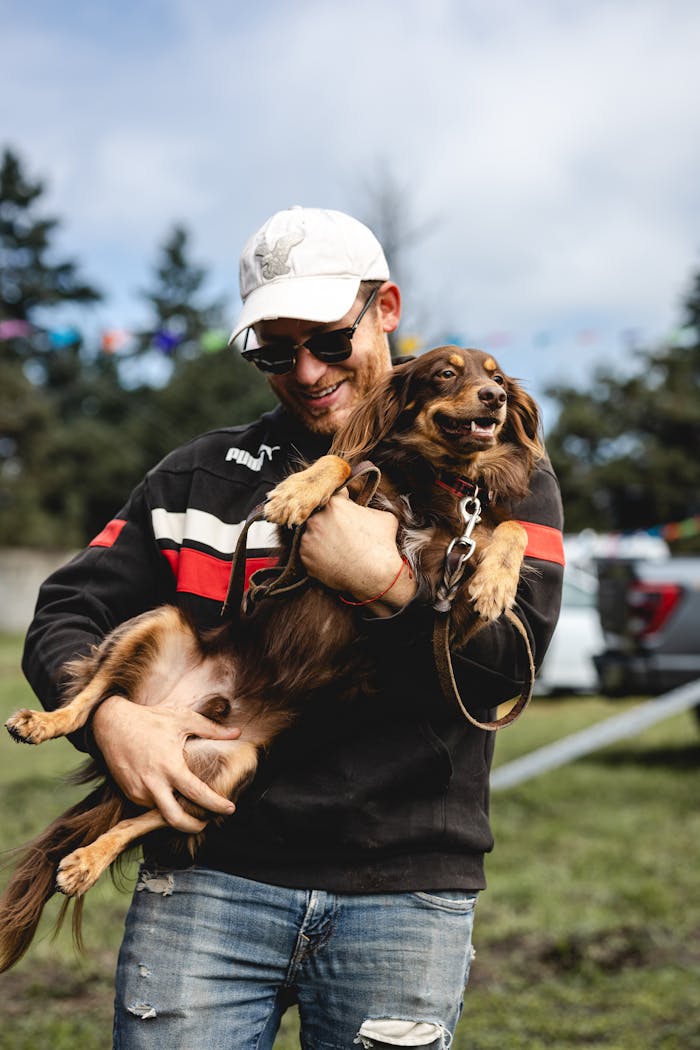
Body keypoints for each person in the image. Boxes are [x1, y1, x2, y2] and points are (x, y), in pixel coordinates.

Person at [22, 206, 564, 1049]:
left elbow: (502, 677)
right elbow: (68, 610)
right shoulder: (197, 474)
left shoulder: (499, 479)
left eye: (327, 339)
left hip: (404, 892)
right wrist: (106, 716)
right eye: (276, 353)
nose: (306, 372)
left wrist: (386, 585)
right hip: (206, 886)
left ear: (384, 309)